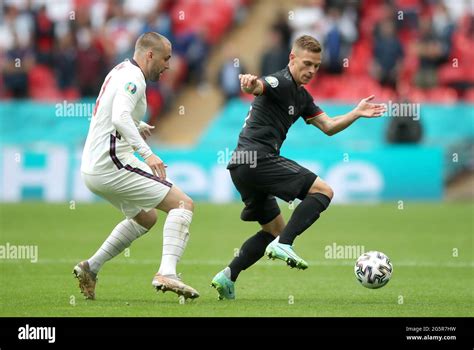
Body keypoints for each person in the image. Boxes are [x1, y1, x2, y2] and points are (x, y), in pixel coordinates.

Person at [211, 35, 386, 300]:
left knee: (273, 230)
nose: (312, 70)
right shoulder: (279, 81)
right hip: (258, 158)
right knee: (324, 191)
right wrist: (249, 83)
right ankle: (285, 244)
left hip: (241, 166)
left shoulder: (302, 97)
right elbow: (259, 86)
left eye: (316, 65)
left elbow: (328, 126)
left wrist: (355, 112)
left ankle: (227, 276)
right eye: (307, 63)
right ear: (292, 58)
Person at [74, 32, 199, 300]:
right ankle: (167, 272)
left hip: (94, 166)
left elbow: (111, 113)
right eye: (166, 59)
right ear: (149, 55)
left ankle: (90, 267)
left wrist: (137, 125)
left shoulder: (120, 70)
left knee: (146, 217)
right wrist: (148, 154)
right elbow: (119, 117)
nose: (168, 65)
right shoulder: (134, 78)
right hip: (112, 163)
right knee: (183, 204)